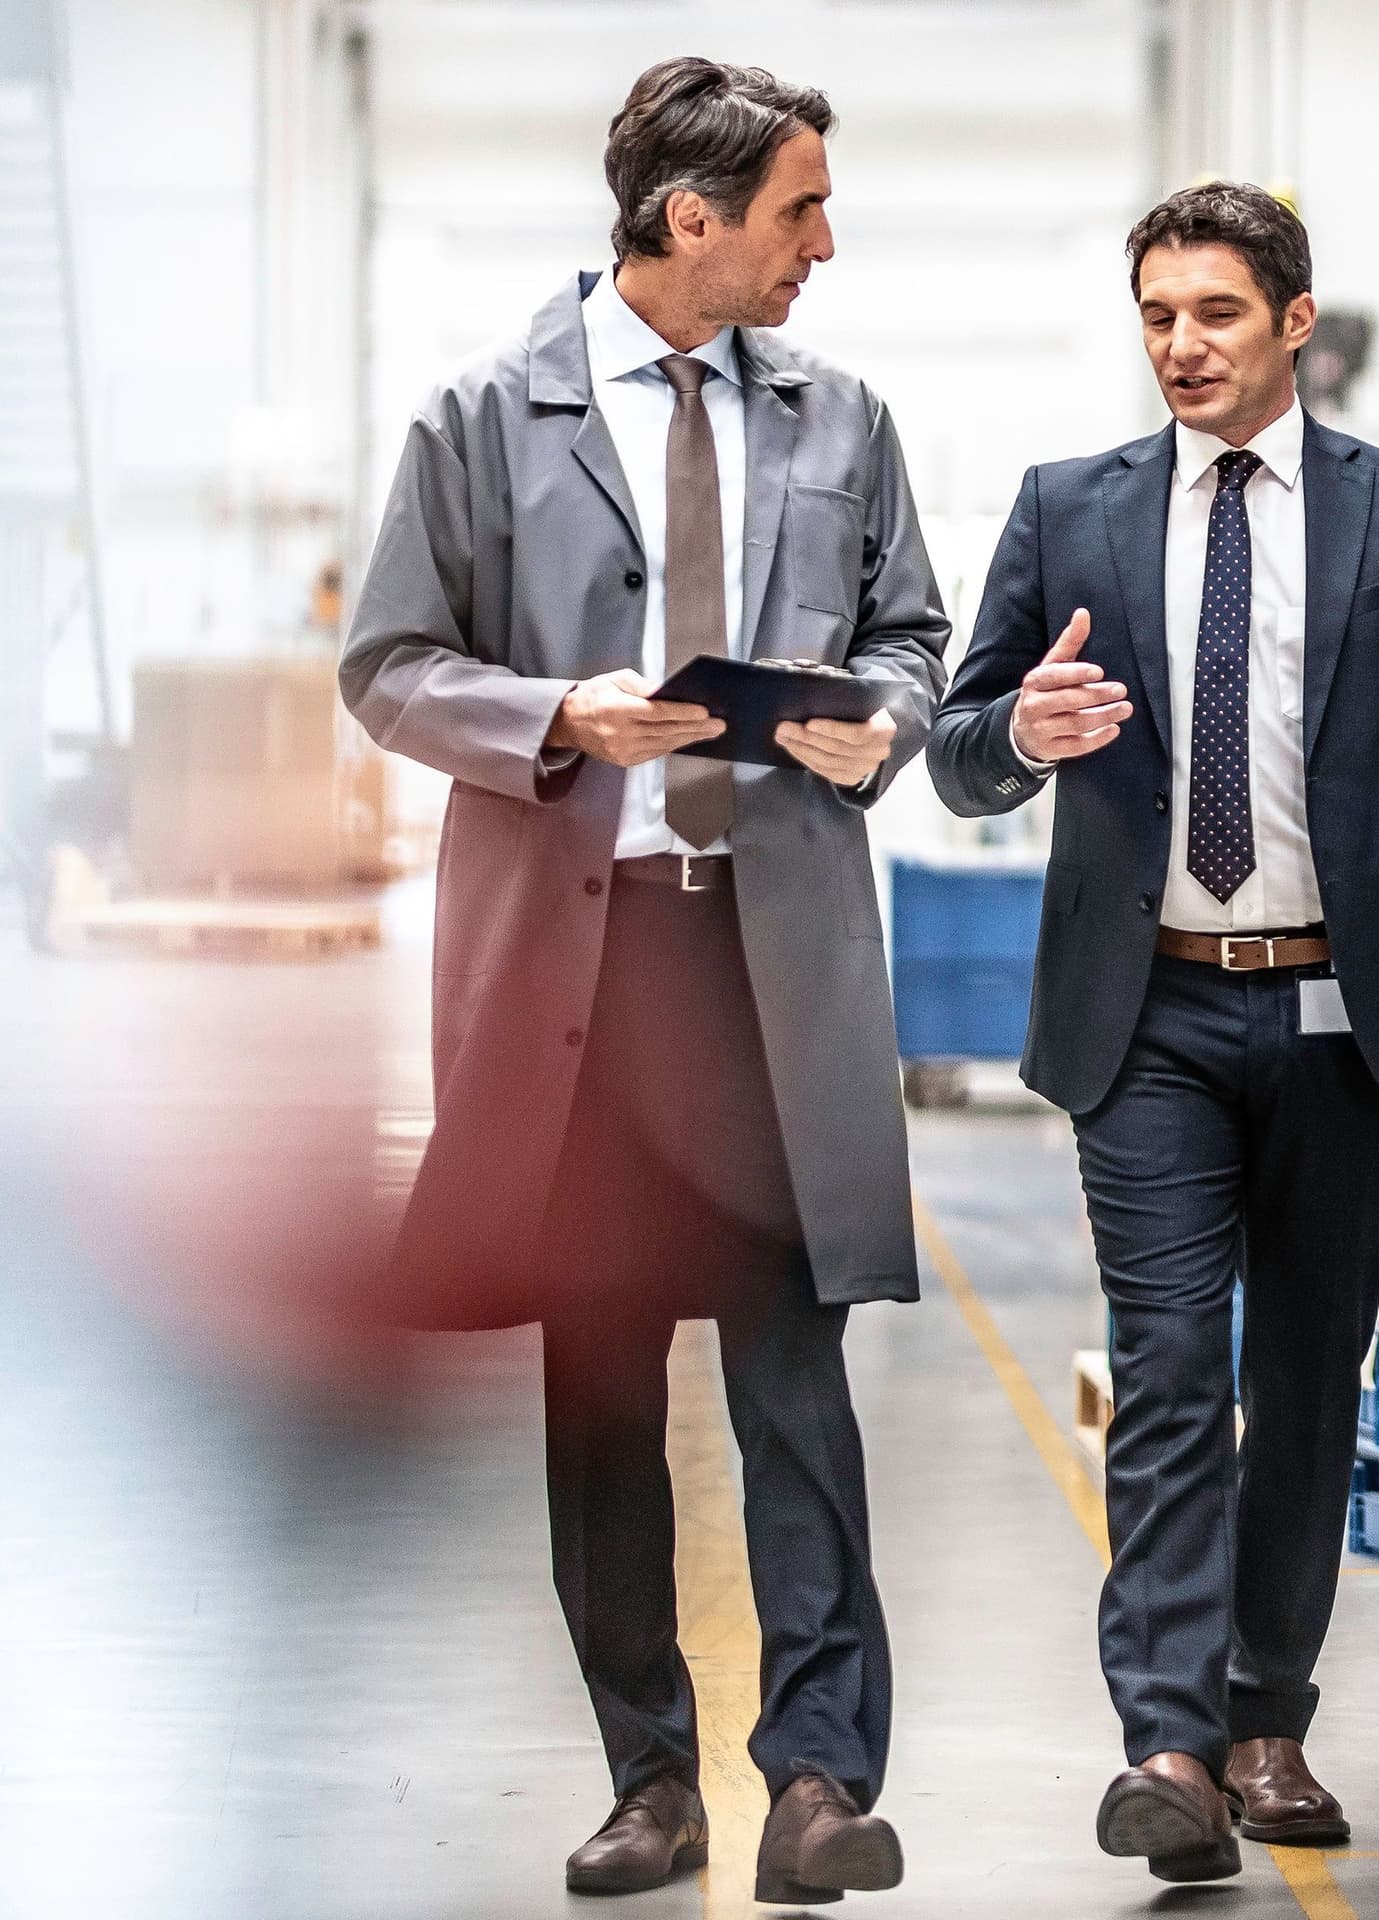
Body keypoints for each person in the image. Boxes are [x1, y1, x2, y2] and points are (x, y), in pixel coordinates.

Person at [339, 57, 948, 1903]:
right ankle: (651, 1780)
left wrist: (886, 727)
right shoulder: (481, 414)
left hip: (769, 962)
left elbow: (913, 633)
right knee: (599, 1388)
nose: (824, 244)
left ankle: (824, 1783)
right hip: (581, 973)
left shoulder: (843, 416)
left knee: (795, 1381)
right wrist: (556, 715)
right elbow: (385, 665)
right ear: (692, 222)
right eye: (799, 210)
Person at [927, 182, 1379, 1882]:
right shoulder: (1069, 508)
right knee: (1164, 1372)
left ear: (1294, 320)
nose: (1179, 345)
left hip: (1347, 1018)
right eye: (1154, 314)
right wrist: (1022, 733)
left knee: (1304, 1379)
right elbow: (960, 745)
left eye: (1212, 312)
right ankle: (1166, 1742)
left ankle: (1267, 1718)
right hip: (1143, 1016)